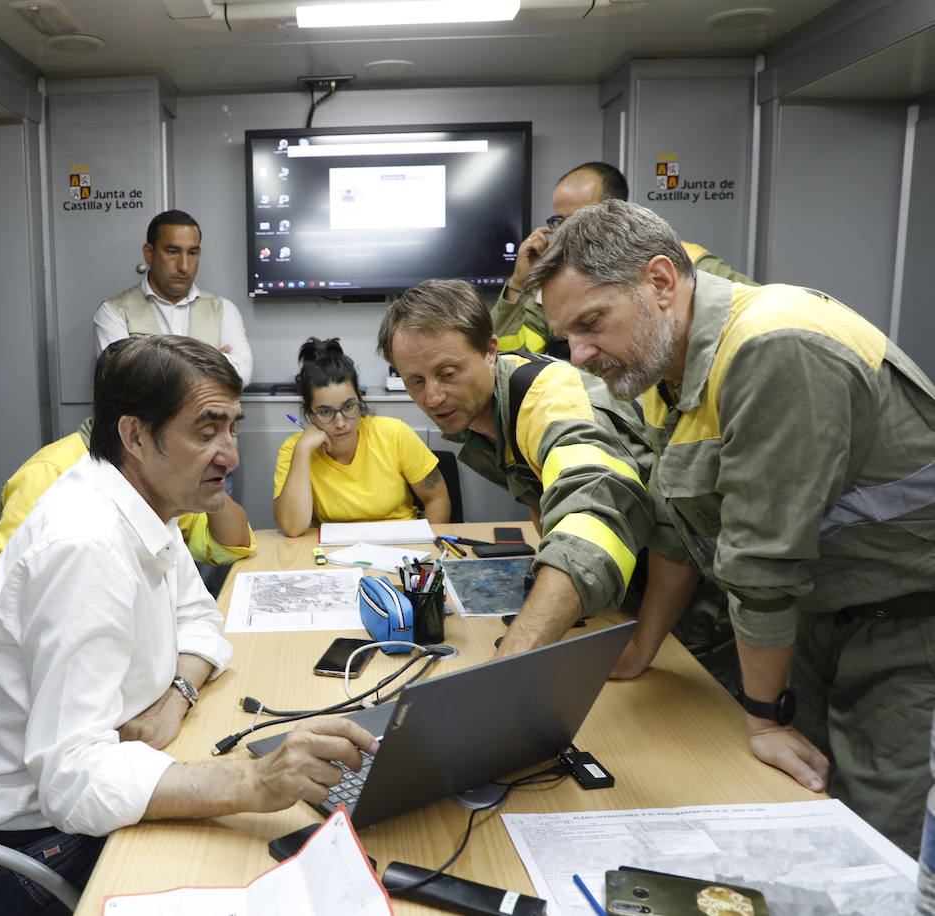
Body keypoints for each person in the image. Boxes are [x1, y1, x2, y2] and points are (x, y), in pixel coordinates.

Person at [527, 198, 935, 856]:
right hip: (823, 618)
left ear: (660, 281)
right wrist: (645, 647)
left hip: (910, 630)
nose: (579, 354)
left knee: (879, 844)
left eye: (592, 323)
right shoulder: (667, 362)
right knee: (795, 814)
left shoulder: (774, 346)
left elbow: (763, 564)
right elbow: (681, 526)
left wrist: (765, 714)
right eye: (567, 335)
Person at [0, 335, 377, 913]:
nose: (231, 454)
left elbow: (201, 620)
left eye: (232, 427)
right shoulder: (84, 548)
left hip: (82, 802)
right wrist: (256, 784)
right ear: (136, 435)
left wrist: (177, 695)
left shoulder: (145, 502)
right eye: (206, 429)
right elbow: (73, 784)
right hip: (33, 852)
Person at [378, 280, 698, 662]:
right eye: (415, 381)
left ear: (490, 351)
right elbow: (540, 493)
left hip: (692, 604)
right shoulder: (476, 411)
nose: (431, 397)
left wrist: (513, 658)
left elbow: (594, 512)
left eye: (448, 373)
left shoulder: (550, 401)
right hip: (622, 597)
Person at [496, 161, 754, 357]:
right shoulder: (559, 281)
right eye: (559, 221)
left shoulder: (684, 263)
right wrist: (519, 281)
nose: (565, 232)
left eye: (577, 219)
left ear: (616, 210)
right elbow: (513, 357)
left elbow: (755, 319)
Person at [0, 412, 255, 590]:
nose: (231, 456)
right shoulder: (48, 472)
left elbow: (227, 546)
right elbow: (5, 592)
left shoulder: (159, 470)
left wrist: (208, 476)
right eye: (204, 433)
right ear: (133, 430)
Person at [273, 338, 449, 537]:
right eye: (325, 412)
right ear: (309, 412)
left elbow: (437, 499)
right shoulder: (294, 449)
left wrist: (428, 549)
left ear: (359, 397)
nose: (340, 422)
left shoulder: (394, 433)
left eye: (348, 406)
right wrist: (303, 449)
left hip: (403, 546)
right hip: (335, 554)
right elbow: (292, 527)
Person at [95, 209, 253, 384]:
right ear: (149, 253)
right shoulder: (113, 312)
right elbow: (122, 382)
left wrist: (154, 369)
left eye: (192, 253)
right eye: (172, 252)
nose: (184, 266)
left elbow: (241, 375)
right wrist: (216, 361)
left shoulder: (223, 309)